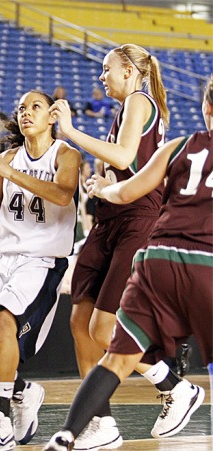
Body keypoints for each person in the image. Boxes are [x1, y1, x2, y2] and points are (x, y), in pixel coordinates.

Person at [43, 75, 213, 451]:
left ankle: (68, 434)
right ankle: (110, 418)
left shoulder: (175, 144)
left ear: (206, 109)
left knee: (112, 345)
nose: (101, 76)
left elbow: (128, 184)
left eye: (108, 67)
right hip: (183, 254)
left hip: (154, 248)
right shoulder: (137, 120)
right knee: (87, 325)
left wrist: (101, 182)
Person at [0, 90, 81, 449]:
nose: (26, 113)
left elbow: (61, 194)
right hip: (2, 257)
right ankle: (23, 392)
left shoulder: (66, 154)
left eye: (35, 107)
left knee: (3, 320)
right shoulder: (8, 156)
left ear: (51, 117)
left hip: (40, 260)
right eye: (22, 108)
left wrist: (9, 171)